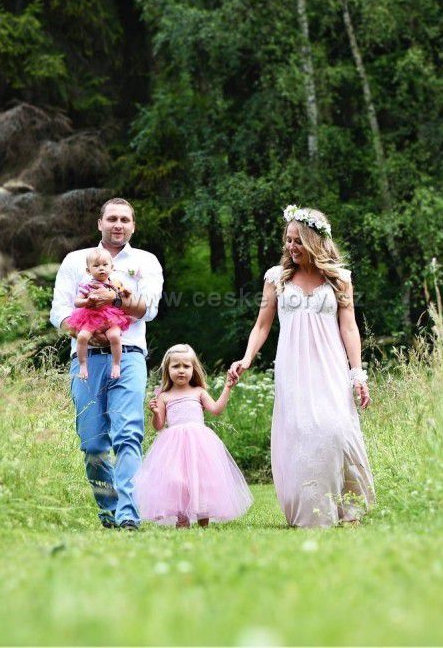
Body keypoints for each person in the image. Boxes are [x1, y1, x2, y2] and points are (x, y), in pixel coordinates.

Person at [229, 205, 374, 528]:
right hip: (293, 366)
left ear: (314, 241)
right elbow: (262, 325)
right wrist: (246, 359)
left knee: (336, 429)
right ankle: (311, 511)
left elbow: (349, 327)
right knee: (302, 433)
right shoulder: (276, 278)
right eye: (288, 240)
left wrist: (357, 373)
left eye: (298, 241)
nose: (291, 247)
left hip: (330, 365)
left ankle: (349, 507)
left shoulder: (339, 279)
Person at [50, 198, 163, 531]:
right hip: (85, 359)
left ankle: (128, 513)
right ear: (100, 223)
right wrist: (86, 332)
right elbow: (59, 312)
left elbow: (149, 309)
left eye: (125, 219)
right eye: (112, 218)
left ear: (133, 226)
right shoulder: (75, 261)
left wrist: (114, 299)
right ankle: (109, 510)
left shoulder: (145, 261)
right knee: (93, 443)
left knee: (127, 434)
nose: (118, 224)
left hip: (128, 355)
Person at [134, 344, 253, 528]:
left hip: (199, 444)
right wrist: (156, 413)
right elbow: (158, 426)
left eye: (186, 366)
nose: (181, 370)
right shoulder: (164, 396)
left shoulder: (199, 392)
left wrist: (227, 387)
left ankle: (203, 521)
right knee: (177, 481)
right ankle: (182, 519)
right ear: (168, 370)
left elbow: (216, 410)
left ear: (193, 368)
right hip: (173, 446)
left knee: (202, 480)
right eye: (176, 366)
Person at [65, 248, 133, 380]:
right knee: (82, 337)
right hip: (91, 317)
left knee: (115, 336)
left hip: (111, 318)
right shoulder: (87, 286)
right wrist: (87, 301)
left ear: (112, 267)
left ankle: (116, 364)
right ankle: (83, 365)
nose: (101, 268)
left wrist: (126, 292)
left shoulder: (114, 284)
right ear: (88, 270)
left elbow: (124, 295)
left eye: (105, 265)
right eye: (96, 266)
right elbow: (77, 302)